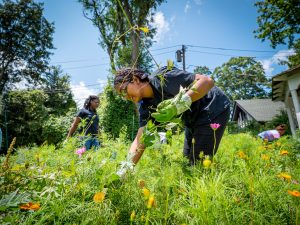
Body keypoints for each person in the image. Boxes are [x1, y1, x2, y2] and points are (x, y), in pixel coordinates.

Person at [113, 66, 231, 177]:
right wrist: (126, 168)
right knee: (187, 160)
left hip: (212, 107)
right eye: (121, 96)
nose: (125, 97)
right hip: (191, 119)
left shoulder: (163, 78)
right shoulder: (146, 108)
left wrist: (178, 105)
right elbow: (140, 140)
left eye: (123, 91)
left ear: (135, 79)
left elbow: (207, 81)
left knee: (198, 164)